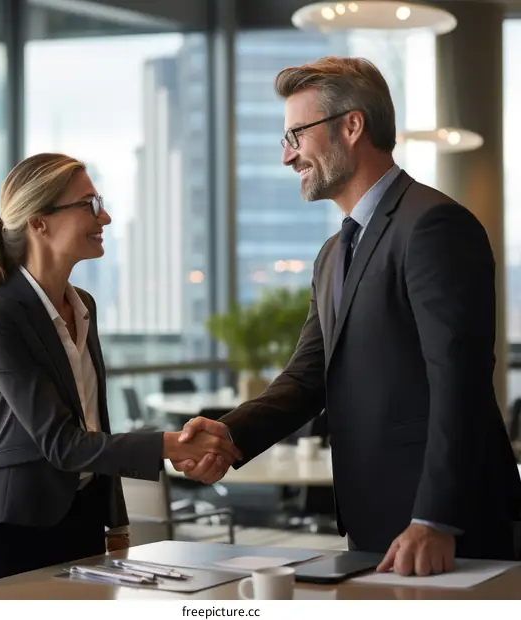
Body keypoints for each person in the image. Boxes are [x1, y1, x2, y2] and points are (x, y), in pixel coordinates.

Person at [173, 57, 521, 574]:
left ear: (352, 126)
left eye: (296, 134)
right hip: (372, 520)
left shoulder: (433, 226)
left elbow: (459, 383)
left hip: (448, 528)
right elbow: (307, 378)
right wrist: (231, 435)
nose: (288, 156)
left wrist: (436, 519)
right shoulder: (333, 253)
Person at [0, 153, 239, 585]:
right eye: (88, 204)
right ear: (39, 222)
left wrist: (116, 524)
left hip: (83, 524)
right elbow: (63, 444)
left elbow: (95, 422)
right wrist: (172, 444)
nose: (103, 216)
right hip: (19, 533)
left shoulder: (84, 305)